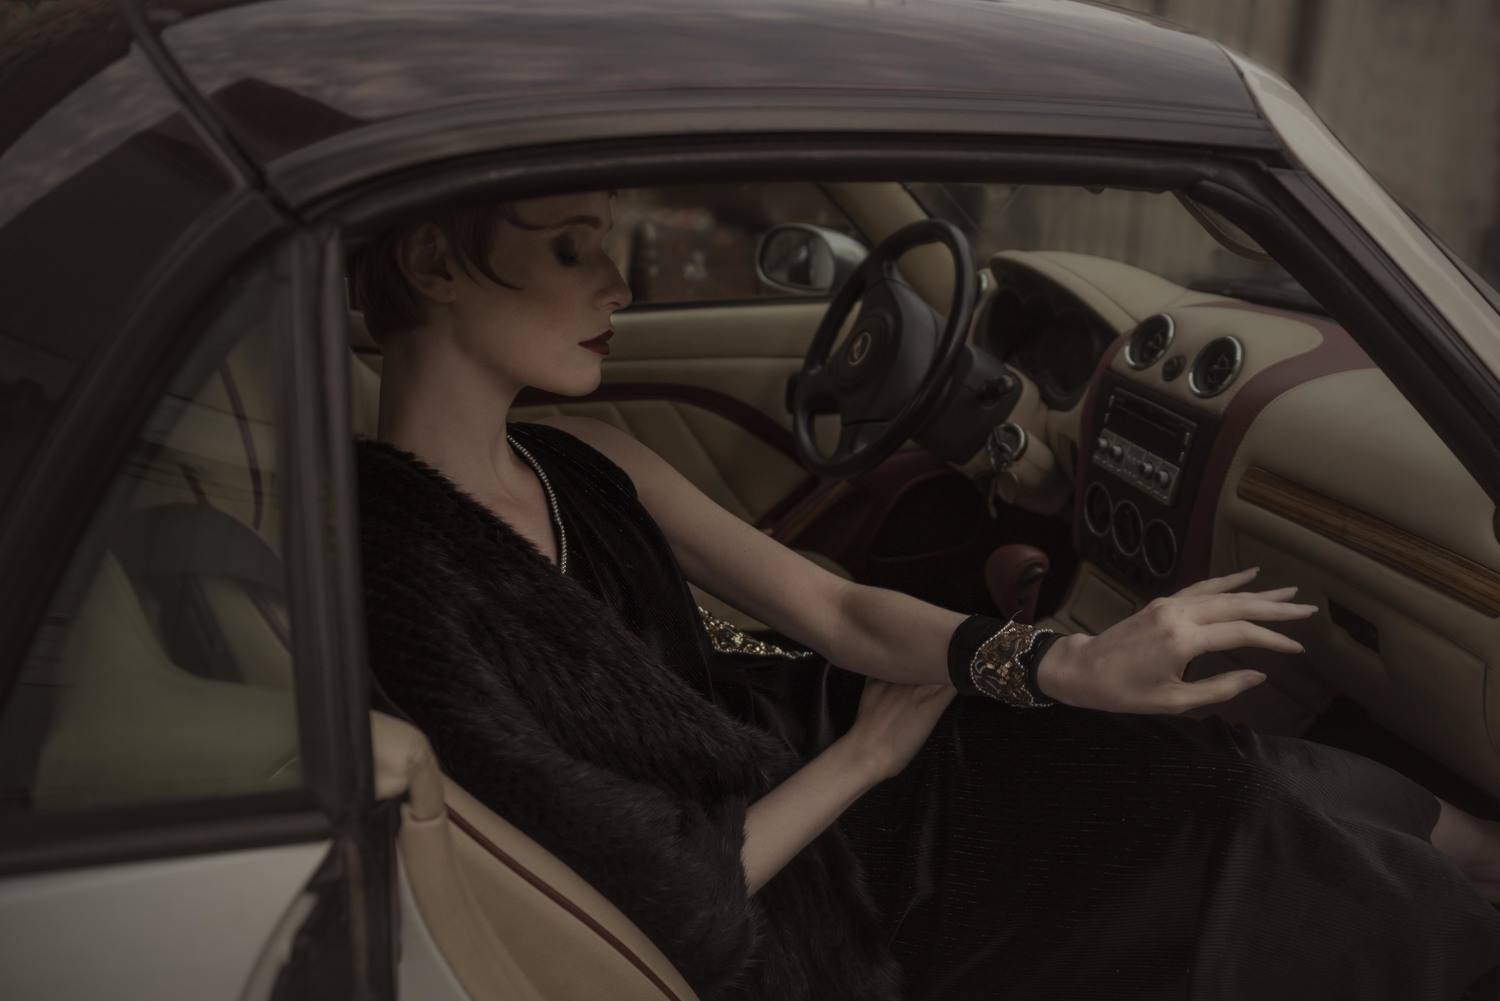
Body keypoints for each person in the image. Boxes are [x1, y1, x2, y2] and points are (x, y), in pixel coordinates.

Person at [350, 190, 1500, 1000]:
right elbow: (669, 899)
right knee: (1213, 826)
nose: (618, 280)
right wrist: (868, 757)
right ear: (433, 264)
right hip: (806, 870)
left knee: (1204, 760)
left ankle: (1477, 857)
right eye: (570, 248)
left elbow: (835, 611)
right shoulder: (398, 578)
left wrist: (1058, 661)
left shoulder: (584, 453)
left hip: (812, 744)